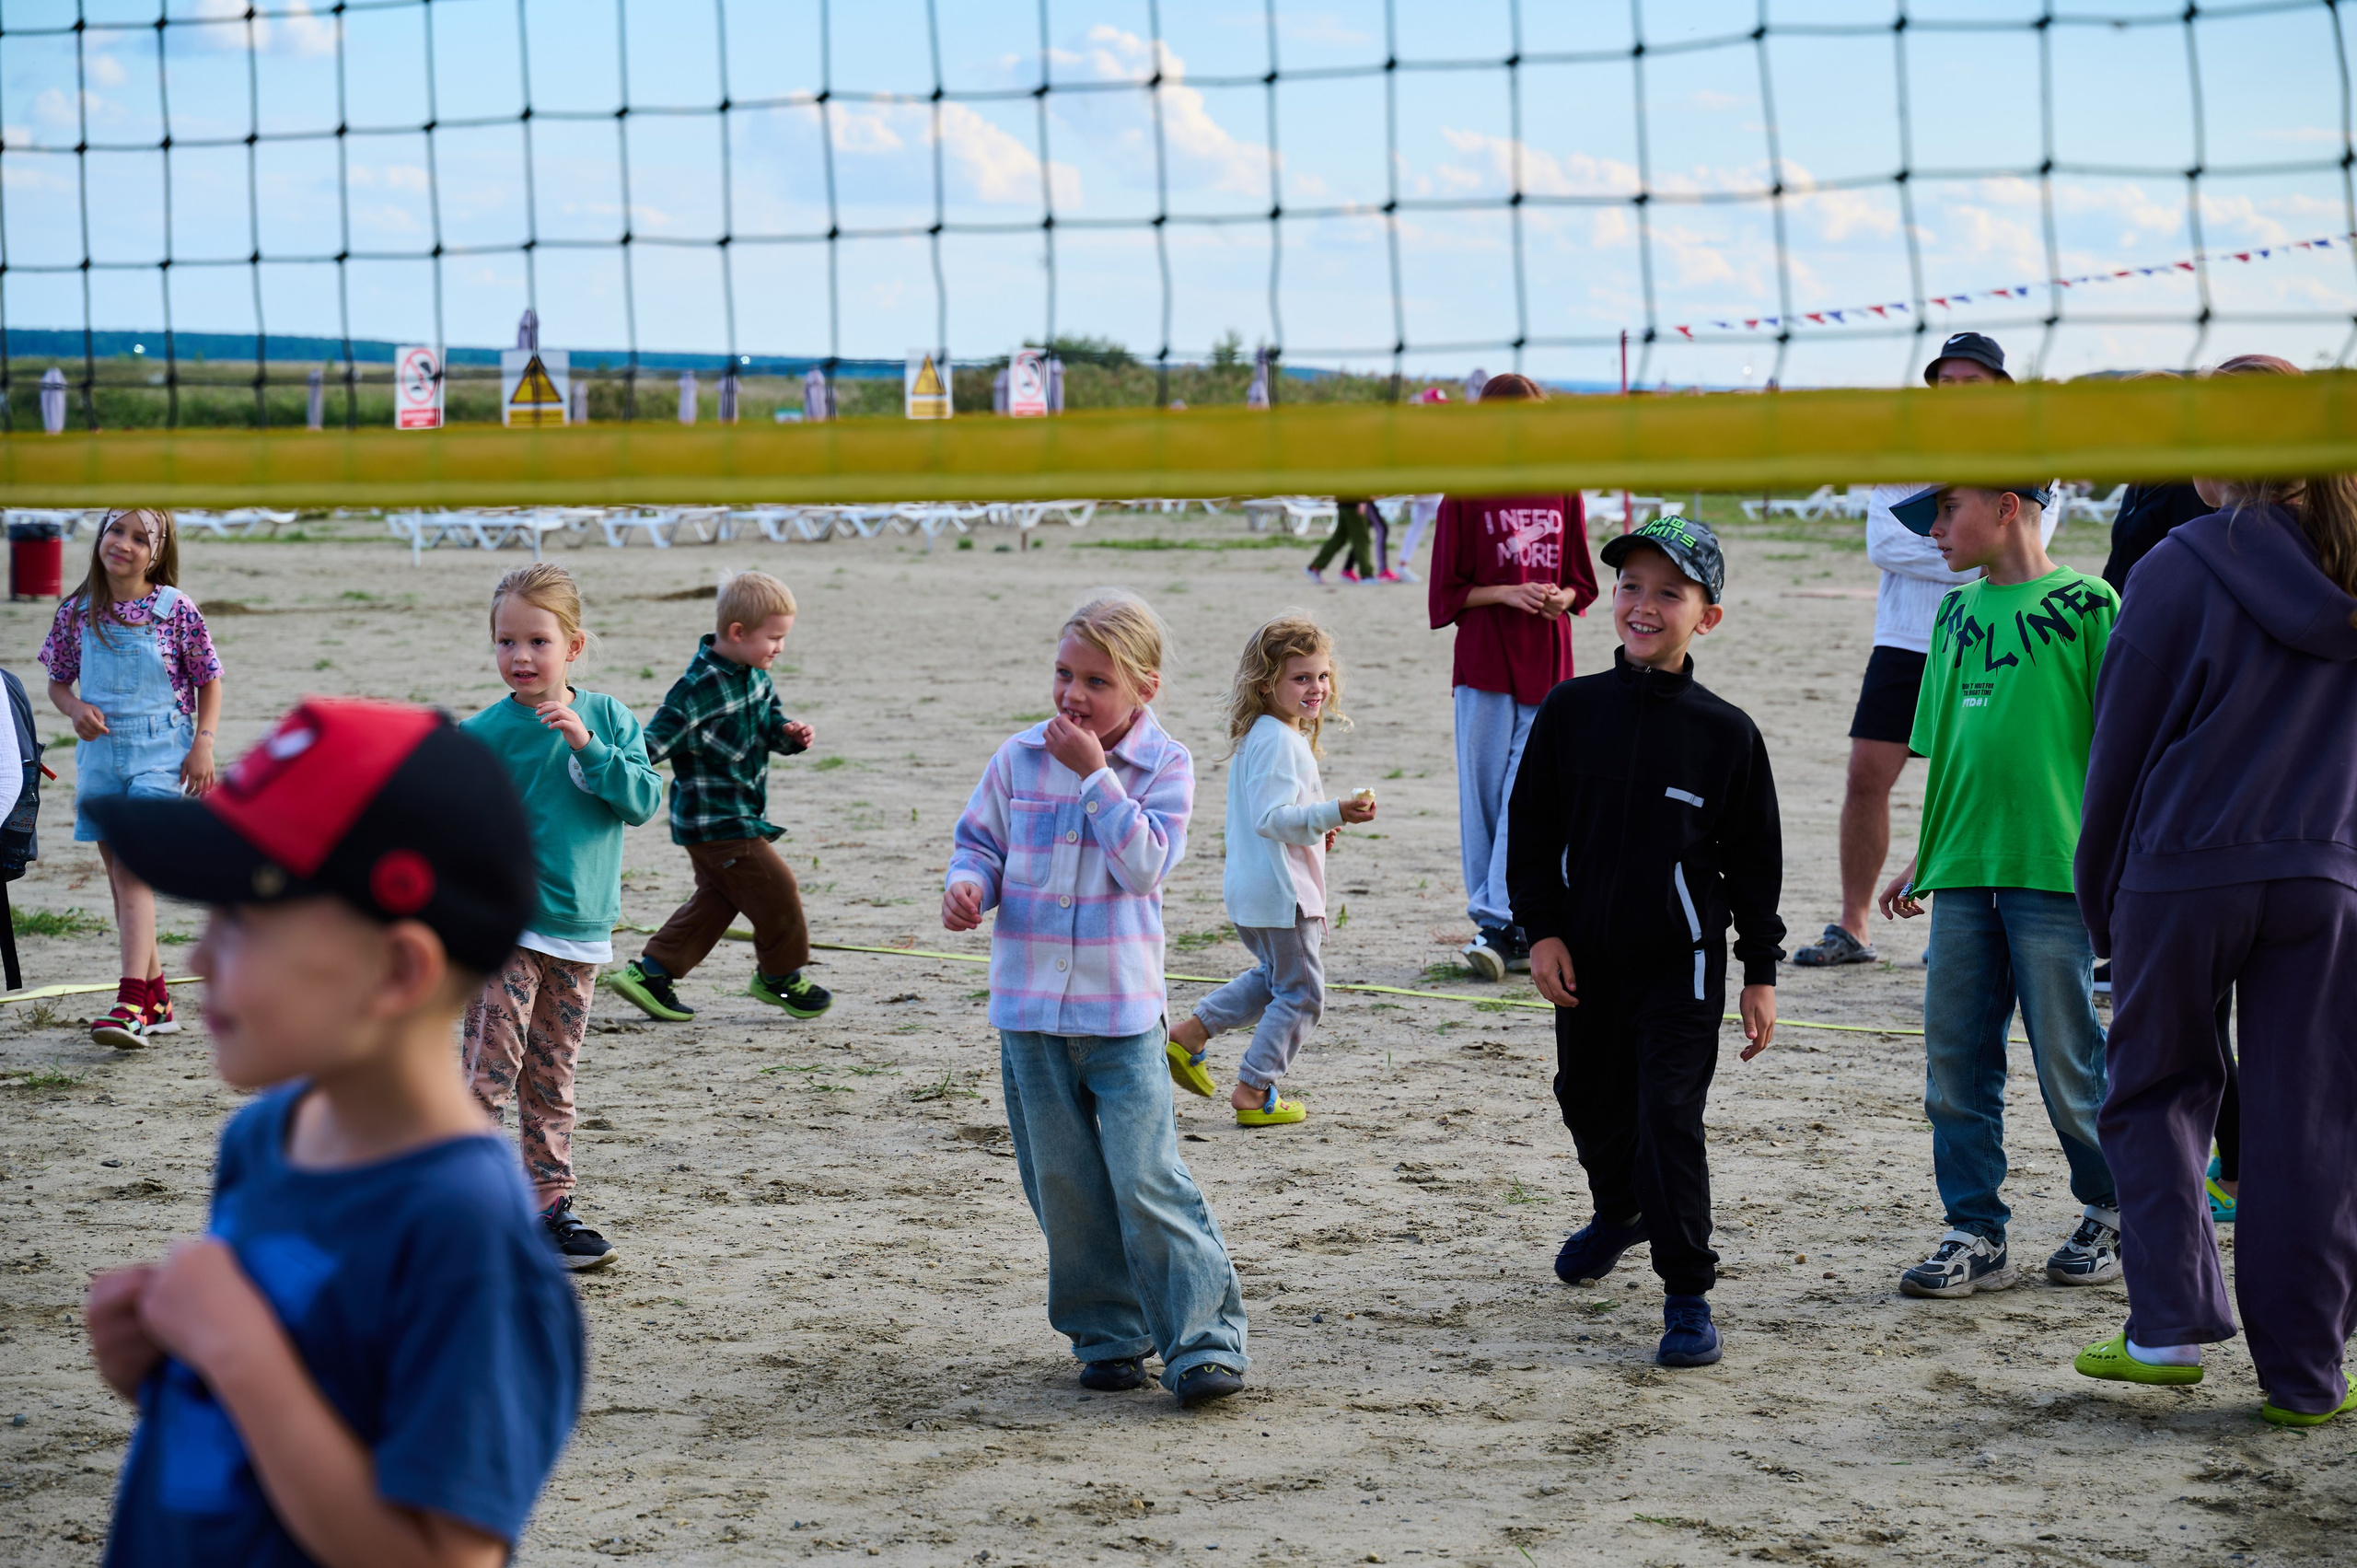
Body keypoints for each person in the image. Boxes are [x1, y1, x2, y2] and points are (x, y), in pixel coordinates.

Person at [81, 698, 584, 1566]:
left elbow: (444, 1556)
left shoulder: (462, 1228)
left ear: (395, 970)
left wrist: (238, 1355)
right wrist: (169, 1372)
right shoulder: (266, 1137)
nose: (197, 959)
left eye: (245, 920)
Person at [2070, 354, 2357, 1426]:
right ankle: (2306, 1375)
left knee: (2153, 1092)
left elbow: (2117, 754)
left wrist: (2099, 906)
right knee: (2310, 1123)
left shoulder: (2176, 565)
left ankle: (2168, 1329)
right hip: (2325, 877)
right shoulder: (2351, 567)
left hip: (2180, 872)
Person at [942, 590, 1248, 1408]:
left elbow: (1146, 865)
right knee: (1065, 1184)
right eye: (1064, 674)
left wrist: (1096, 778)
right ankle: (1109, 1336)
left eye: (1097, 682)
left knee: (1149, 1176)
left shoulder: (1166, 765)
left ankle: (1203, 1343)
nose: (1074, 696)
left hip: (1121, 1017)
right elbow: (980, 843)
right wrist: (969, 886)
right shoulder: (1016, 758)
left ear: (1144, 688)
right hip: (1030, 1017)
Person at [1508, 515, 1783, 1369]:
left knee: (1668, 1117)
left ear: (1708, 616)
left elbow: (1755, 865)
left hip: (1683, 964)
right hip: (1584, 955)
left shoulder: (1726, 733)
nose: (1645, 604)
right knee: (1586, 1096)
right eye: (1631, 585)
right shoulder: (1570, 708)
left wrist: (1759, 973)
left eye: (1671, 591)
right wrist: (1543, 930)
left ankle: (1687, 1292)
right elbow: (1530, 829)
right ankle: (1619, 1210)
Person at [1875, 482, 2124, 1298]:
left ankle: (2114, 1208)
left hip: (2055, 874)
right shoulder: (1951, 614)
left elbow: (2121, 748)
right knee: (1954, 1063)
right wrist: (1926, 854)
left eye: (1947, 513)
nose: (1937, 532)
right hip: (1963, 872)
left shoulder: (2090, 603)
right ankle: (1974, 1228)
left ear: (2009, 506)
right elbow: (1950, 748)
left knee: (2068, 1060)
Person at [1794, 333, 2058, 970]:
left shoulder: (2032, 447)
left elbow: (2032, 537)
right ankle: (1854, 926)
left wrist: (1954, 544)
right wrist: (1972, 546)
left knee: (1983, 778)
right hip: (1907, 638)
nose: (1957, 393)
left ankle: (1963, 931)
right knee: (1866, 776)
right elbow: (1883, 543)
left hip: (1996, 631)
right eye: (1947, 382)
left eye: (1972, 382)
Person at [459, 563, 662, 1272]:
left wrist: (587, 744)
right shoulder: (482, 733)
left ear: (572, 647)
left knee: (552, 1076)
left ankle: (548, 1209)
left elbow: (641, 801)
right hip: (504, 929)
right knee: (489, 1070)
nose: (520, 656)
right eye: (506, 641)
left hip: (580, 933)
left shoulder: (607, 718)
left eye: (538, 641)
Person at [1167, 613, 1377, 1128]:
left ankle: (1190, 1034)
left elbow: (1281, 815)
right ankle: (1253, 1088)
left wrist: (1318, 829)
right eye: (1301, 678)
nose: (1316, 688)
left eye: (1322, 676)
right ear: (1267, 684)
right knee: (1303, 994)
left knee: (1276, 980)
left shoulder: (1267, 734)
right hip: (1283, 898)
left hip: (1256, 889)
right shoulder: (1280, 741)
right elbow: (1271, 819)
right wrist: (1334, 811)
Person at [1429, 372, 1599, 981]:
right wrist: (1507, 592)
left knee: (1527, 793)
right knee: (1482, 797)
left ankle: (1503, 920)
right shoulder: (1464, 492)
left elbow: (1584, 581)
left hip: (1550, 660)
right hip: (1484, 661)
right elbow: (1446, 594)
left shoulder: (1563, 486)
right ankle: (1498, 922)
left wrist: (1560, 598)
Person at [608, 570, 832, 1024]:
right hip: (715, 824)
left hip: (744, 813)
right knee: (778, 888)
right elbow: (652, 744)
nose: (780, 647)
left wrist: (788, 735)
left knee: (720, 899)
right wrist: (603, 770)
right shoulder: (696, 689)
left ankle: (651, 974)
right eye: (775, 637)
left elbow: (768, 722)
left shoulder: (755, 676)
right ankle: (779, 976)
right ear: (737, 632)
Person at [39, 506, 223, 1048]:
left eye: (141, 538)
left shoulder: (176, 610)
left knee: (133, 874)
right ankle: (160, 997)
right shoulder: (77, 611)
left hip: (162, 752)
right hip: (99, 757)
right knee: (122, 881)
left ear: (158, 552)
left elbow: (209, 680)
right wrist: (73, 708)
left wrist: (203, 746)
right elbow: (56, 681)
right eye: (116, 529)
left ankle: (130, 1004)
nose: (123, 543)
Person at [1305, 498, 1377, 584]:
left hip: (1343, 504)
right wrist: (1361, 500)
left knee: (1339, 539)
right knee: (1362, 540)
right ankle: (1366, 575)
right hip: (1353, 504)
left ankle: (1315, 567)